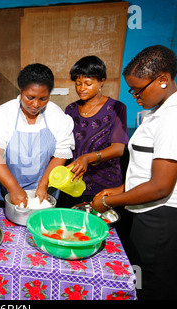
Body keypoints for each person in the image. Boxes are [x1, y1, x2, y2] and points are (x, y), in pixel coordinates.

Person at [91, 45, 177, 300]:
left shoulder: (175, 119)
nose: (134, 96)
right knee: (141, 283)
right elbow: (147, 171)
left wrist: (108, 201)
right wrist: (122, 189)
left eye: (138, 89)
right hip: (149, 214)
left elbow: (160, 187)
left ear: (163, 80)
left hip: (164, 220)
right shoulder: (160, 113)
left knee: (158, 290)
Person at [0, 63, 75, 207]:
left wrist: (43, 184)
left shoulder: (56, 116)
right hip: (8, 189)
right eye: (30, 97)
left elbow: (61, 154)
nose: (36, 104)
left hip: (44, 189)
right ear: (21, 90)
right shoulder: (3, 114)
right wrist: (13, 187)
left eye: (43, 99)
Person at [57, 56, 128, 209]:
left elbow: (119, 148)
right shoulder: (70, 109)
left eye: (88, 83)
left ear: (101, 81)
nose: (82, 88)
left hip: (104, 184)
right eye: (78, 83)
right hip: (74, 181)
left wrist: (88, 158)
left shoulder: (117, 108)